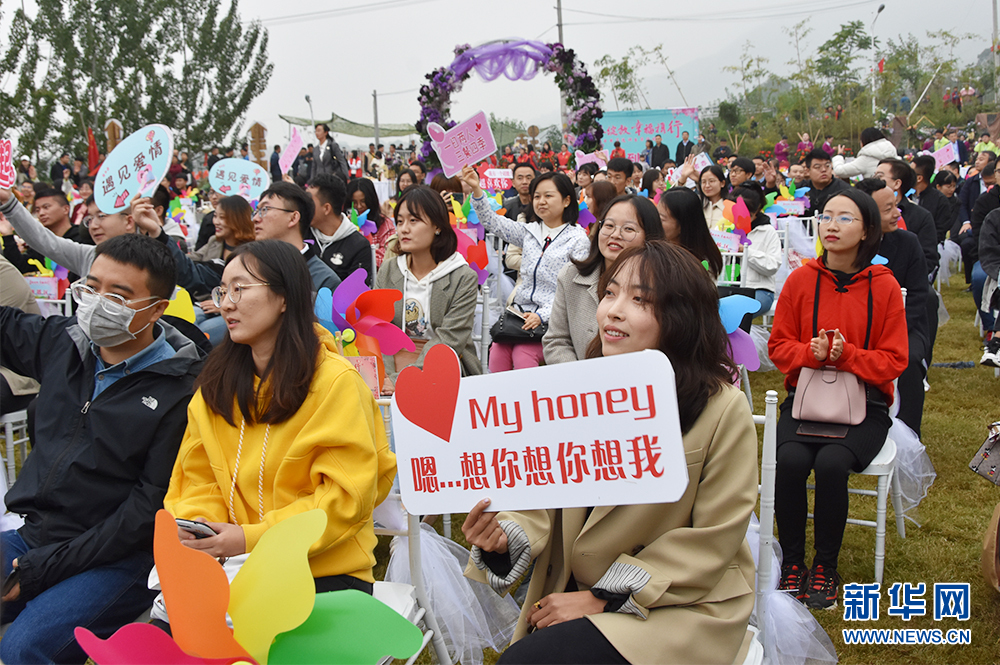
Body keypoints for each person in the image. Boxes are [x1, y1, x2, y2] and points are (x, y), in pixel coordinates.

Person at [464, 240, 759, 665]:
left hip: (676, 603)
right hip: (571, 590)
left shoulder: (721, 407)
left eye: (640, 300)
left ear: (681, 317)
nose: (613, 310)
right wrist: (501, 538)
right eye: (610, 292)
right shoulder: (578, 392)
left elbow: (713, 537)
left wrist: (602, 598)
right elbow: (540, 496)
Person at [0, 231, 206, 664]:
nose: (97, 303)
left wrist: (47, 569)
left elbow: (145, 511)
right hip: (35, 536)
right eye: (91, 287)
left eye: (118, 294)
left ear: (156, 308)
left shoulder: (181, 391)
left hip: (119, 558)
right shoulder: (65, 342)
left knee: (25, 647)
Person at [162, 240, 395, 599]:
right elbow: (197, 476)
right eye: (223, 290)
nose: (226, 303)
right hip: (234, 565)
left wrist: (249, 538)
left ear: (285, 297)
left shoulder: (335, 383)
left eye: (240, 289)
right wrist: (203, 525)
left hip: (324, 571)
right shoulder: (215, 384)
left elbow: (346, 498)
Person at [769, 189, 908, 610]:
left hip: (866, 405)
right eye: (827, 216)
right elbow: (778, 347)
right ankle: (793, 564)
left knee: (832, 463)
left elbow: (895, 359)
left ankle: (825, 567)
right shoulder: (801, 279)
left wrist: (848, 356)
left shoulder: (883, 286)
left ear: (867, 229)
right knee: (789, 461)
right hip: (807, 398)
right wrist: (806, 353)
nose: (831, 224)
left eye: (845, 218)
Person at [465, 167, 589, 371]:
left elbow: (575, 292)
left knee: (523, 354)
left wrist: (543, 315)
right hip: (520, 315)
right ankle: (499, 402)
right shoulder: (529, 230)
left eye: (548, 196)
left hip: (553, 320)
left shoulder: (578, 240)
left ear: (567, 200)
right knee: (496, 351)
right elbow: (492, 222)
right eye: (537, 196)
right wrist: (477, 189)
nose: (541, 201)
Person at [376, 186, 481, 393]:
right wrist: (385, 377)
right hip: (394, 362)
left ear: (437, 226)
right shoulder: (389, 270)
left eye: (414, 221)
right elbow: (380, 329)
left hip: (444, 364)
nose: (404, 229)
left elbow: (450, 339)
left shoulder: (462, 277)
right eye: (400, 221)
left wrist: (403, 379)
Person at [543, 195, 665, 364]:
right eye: (608, 225)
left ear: (649, 236)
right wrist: (583, 379)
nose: (615, 235)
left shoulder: (663, 281)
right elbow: (556, 341)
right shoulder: (571, 276)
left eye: (628, 229)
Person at [854, 178, 930, 436]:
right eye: (887, 209)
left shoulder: (908, 243)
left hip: (904, 327)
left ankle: (909, 433)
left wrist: (891, 331)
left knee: (907, 363)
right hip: (854, 328)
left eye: (895, 205)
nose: (897, 213)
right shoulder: (849, 246)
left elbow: (920, 295)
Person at [252, 181, 340, 292]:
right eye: (256, 211)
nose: (256, 218)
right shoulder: (252, 268)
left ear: (293, 218)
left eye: (265, 209)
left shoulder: (324, 281)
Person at [304, 174, 374, 286]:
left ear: (326, 208)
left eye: (309, 202)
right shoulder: (302, 234)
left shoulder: (358, 245)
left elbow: (355, 293)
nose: (304, 207)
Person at [729, 183, 782, 316]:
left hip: (759, 290)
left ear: (757, 209)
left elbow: (773, 265)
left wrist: (746, 252)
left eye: (746, 212)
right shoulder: (727, 229)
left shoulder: (767, 231)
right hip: (728, 288)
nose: (739, 217)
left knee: (739, 314)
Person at [656, 187, 724, 278]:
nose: (655, 222)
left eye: (661, 219)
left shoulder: (702, 264)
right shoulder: (656, 251)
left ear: (683, 225)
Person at [912, 155, 953, 243]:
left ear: (919, 178)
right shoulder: (904, 195)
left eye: (910, 172)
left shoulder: (940, 201)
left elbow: (940, 232)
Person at [831, 128, 896, 179]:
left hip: (875, 193)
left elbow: (840, 171)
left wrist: (839, 155)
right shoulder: (892, 151)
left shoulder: (866, 157)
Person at [804, 149, 850, 216]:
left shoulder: (844, 190)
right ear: (808, 171)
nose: (823, 170)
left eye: (827, 166)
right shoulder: (802, 189)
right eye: (817, 167)